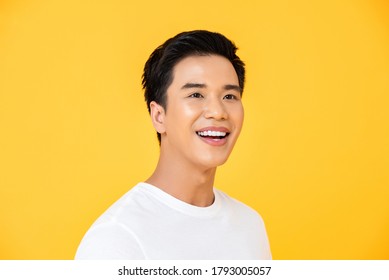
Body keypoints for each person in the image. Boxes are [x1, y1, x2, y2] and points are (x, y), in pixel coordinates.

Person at [75, 30, 272, 259]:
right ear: (159, 116)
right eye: (196, 94)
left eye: (229, 97)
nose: (218, 112)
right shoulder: (117, 238)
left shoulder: (249, 225)